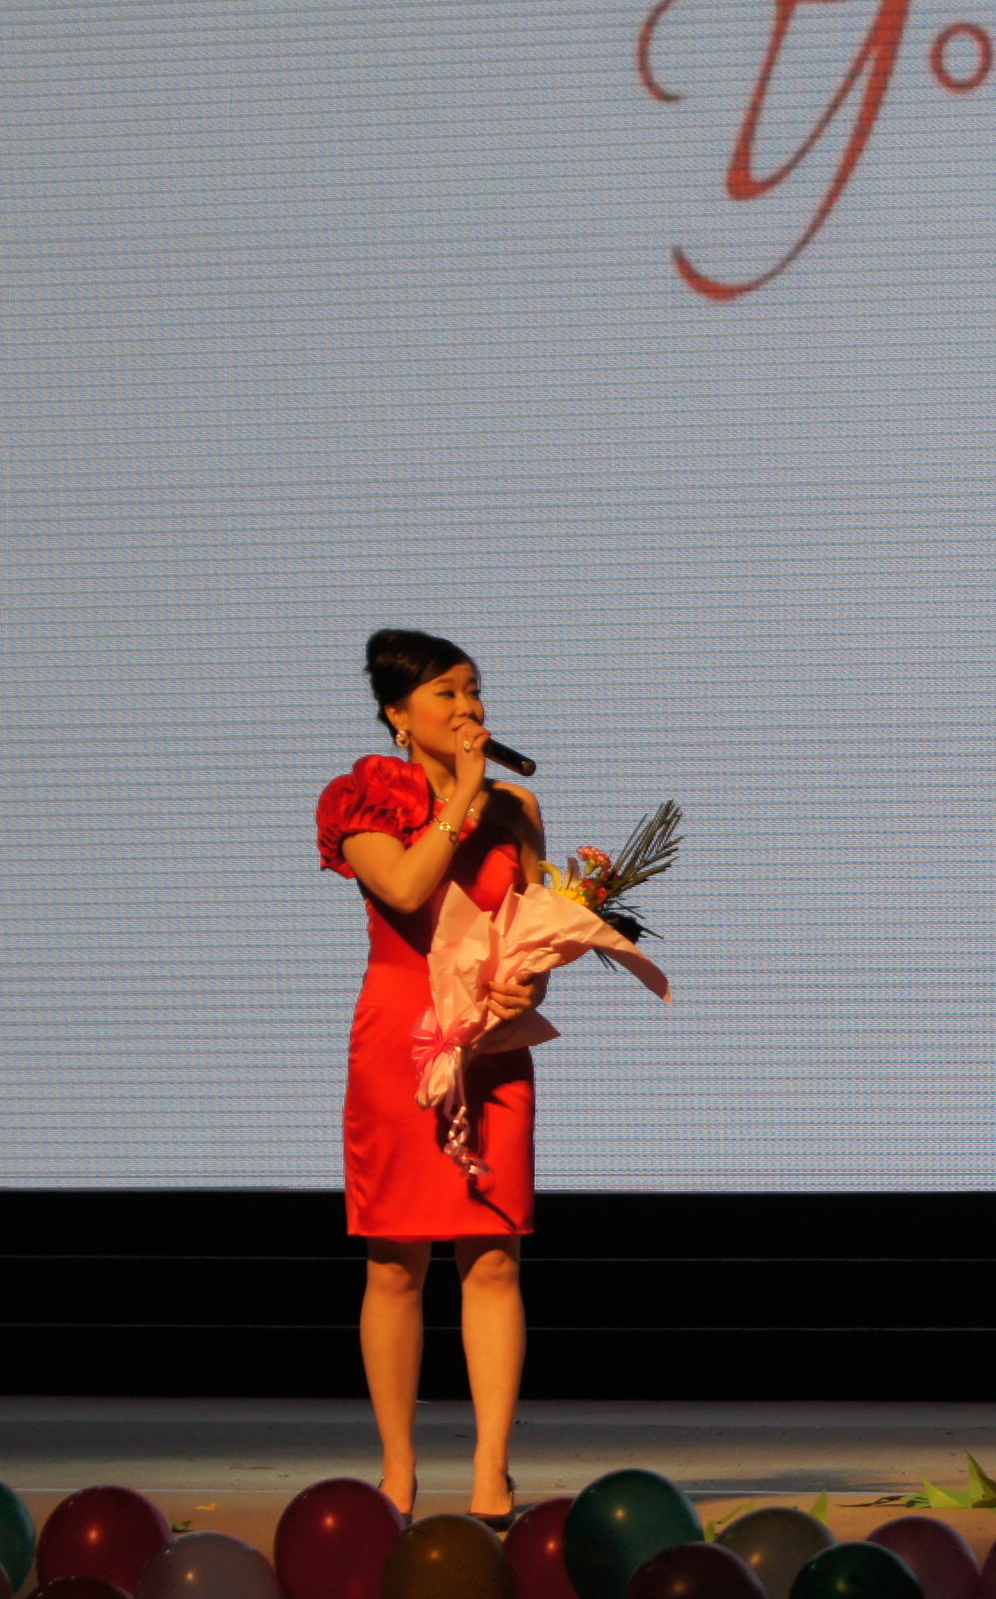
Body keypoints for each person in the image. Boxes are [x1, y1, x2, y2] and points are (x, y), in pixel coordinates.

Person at [314, 627, 549, 1524]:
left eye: (474, 688)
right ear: (397, 715)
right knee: (394, 1264)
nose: (469, 706)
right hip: (400, 1040)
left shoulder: (517, 808)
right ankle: (398, 1473)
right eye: (446, 693)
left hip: (490, 1044)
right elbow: (408, 891)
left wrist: (529, 981)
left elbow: (530, 929)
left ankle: (492, 1474)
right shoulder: (365, 799)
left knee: (493, 1257)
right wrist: (459, 797)